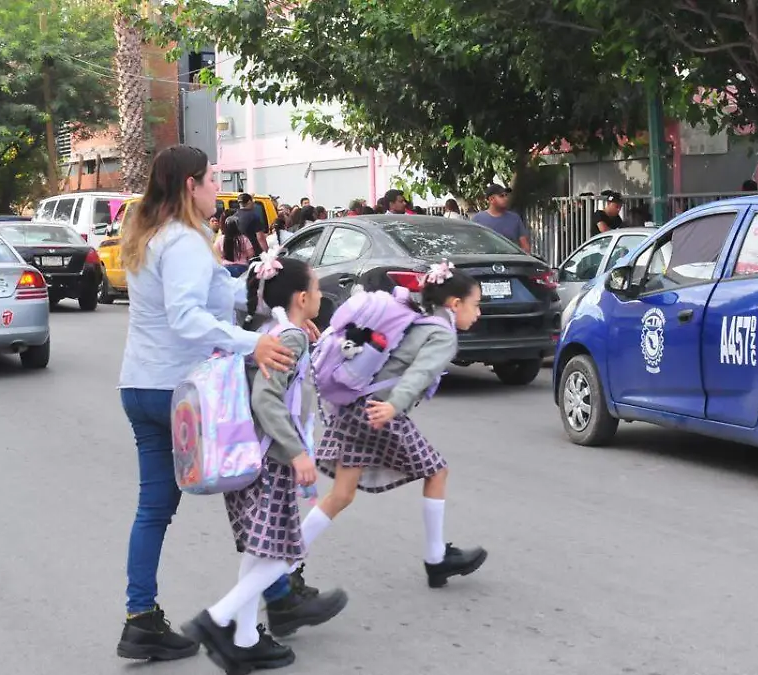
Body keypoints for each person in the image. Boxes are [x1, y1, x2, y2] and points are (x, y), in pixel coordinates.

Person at [115, 145, 345, 663]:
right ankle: (268, 602)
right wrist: (254, 343)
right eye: (212, 179)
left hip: (142, 385)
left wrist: (273, 288)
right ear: (189, 185)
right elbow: (187, 317)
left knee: (155, 508)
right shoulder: (184, 242)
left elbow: (228, 291)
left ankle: (141, 618)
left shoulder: (150, 233)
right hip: (183, 394)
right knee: (249, 483)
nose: (218, 189)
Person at [183, 255, 347, 673]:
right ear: (302, 297)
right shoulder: (288, 338)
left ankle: (244, 638)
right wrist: (296, 452)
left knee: (261, 552)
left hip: (252, 457)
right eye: (316, 287)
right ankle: (217, 619)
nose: (321, 296)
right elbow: (266, 399)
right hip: (272, 461)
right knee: (282, 554)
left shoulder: (269, 331)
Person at [305, 262, 488, 589]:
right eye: (476, 305)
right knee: (437, 471)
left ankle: (286, 558)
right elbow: (419, 374)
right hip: (380, 411)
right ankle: (436, 559)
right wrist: (393, 406)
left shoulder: (421, 321)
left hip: (356, 407)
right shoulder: (442, 334)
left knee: (342, 494)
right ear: (455, 304)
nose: (478, 313)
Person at [471, 184, 530, 252]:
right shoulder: (478, 219)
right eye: (501, 196)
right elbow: (472, 244)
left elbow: (525, 246)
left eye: (506, 195)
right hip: (486, 260)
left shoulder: (515, 218)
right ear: (491, 199)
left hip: (510, 260)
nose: (506, 198)